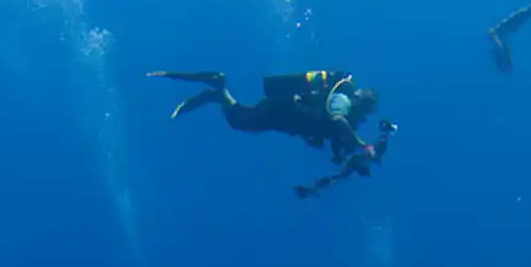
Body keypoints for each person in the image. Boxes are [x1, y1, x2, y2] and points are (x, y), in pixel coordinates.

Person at [148, 69, 396, 198]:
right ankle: (217, 88)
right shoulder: (344, 100)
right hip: (284, 113)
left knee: (242, 121)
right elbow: (337, 119)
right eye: (367, 109)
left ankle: (217, 92)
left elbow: (335, 137)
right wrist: (363, 145)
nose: (364, 116)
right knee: (242, 123)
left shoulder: (346, 106)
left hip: (286, 115)